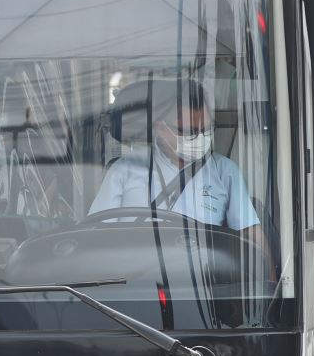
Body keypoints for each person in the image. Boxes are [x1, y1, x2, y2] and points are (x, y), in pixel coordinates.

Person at [89, 79, 270, 259]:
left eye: (206, 129)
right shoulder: (125, 170)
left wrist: (271, 282)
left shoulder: (225, 172)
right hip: (132, 277)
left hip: (201, 281)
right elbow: (96, 236)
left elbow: (252, 235)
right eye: (190, 131)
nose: (200, 137)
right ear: (161, 128)